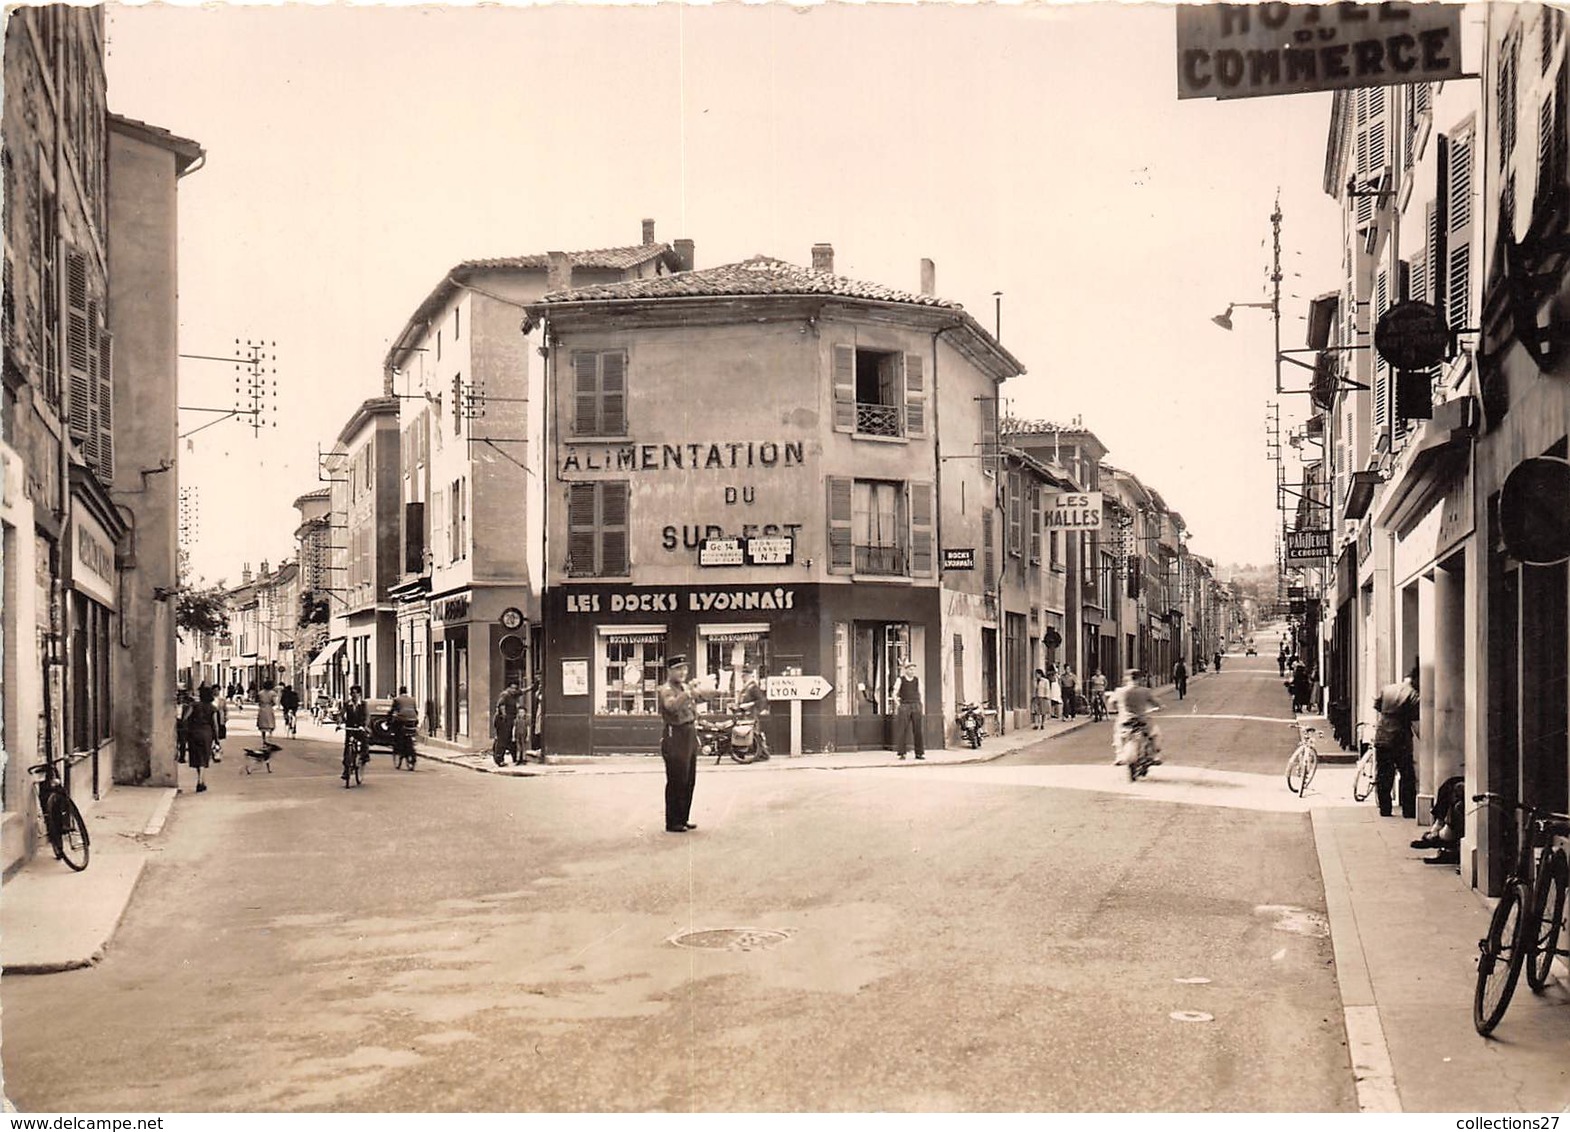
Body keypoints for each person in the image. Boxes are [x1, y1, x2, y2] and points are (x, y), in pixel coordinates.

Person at [657, 656, 705, 832]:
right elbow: (672, 707)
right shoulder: (666, 689)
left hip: (689, 733)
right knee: (677, 779)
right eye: (678, 669)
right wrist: (687, 693)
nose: (683, 672)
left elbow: (699, 700)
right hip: (675, 734)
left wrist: (708, 689)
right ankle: (673, 822)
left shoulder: (684, 687)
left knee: (689, 779)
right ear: (670, 671)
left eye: (685, 669)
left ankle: (683, 817)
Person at [1373, 667, 1420, 819]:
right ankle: (1408, 810)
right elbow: (1415, 719)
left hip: (1382, 735)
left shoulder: (1387, 689)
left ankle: (1385, 809)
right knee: (1407, 774)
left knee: (1384, 773)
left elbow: (1377, 706)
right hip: (1400, 738)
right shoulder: (1413, 694)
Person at [1110, 669, 1162, 768]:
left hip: (1125, 720)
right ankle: (1154, 756)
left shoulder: (1120, 691)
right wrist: (1160, 707)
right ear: (1140, 679)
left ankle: (1119, 755)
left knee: (1118, 734)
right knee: (1155, 734)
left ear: (1126, 679)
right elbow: (1155, 702)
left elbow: (1111, 702)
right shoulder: (1145, 691)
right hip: (1141, 720)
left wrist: (1117, 709)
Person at [185, 684, 221, 793]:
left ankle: (201, 780)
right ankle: (200, 782)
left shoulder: (194, 705)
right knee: (204, 758)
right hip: (206, 733)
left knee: (196, 757)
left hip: (194, 733)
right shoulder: (212, 708)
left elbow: (185, 718)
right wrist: (217, 739)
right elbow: (215, 725)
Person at [735, 668, 771, 760]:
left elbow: (761, 700)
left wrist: (749, 705)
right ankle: (760, 753)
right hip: (746, 714)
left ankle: (762, 754)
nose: (742, 678)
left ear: (748, 676)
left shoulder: (752, 687)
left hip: (751, 714)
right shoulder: (747, 687)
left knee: (751, 734)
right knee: (748, 733)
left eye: (744, 676)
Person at [891, 661, 925, 760]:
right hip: (905, 705)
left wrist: (921, 704)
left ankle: (919, 753)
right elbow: (894, 693)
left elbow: (921, 693)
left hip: (916, 705)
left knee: (918, 729)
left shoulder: (918, 680)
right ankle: (902, 753)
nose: (912, 671)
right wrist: (898, 704)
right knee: (902, 729)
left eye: (913, 669)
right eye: (910, 669)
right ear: (906, 670)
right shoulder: (900, 680)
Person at [342, 684, 369, 780]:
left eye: (355, 693)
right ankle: (346, 769)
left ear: (359, 694)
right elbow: (342, 714)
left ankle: (364, 757)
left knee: (364, 740)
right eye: (351, 693)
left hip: (359, 727)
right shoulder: (347, 704)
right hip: (350, 729)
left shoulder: (363, 704)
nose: (353, 695)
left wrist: (364, 726)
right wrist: (339, 723)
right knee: (347, 748)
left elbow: (366, 716)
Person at [493, 682, 522, 767]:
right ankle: (499, 759)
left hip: (509, 719)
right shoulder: (505, 694)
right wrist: (504, 715)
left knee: (509, 739)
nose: (513, 690)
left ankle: (514, 758)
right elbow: (501, 705)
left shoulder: (514, 694)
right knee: (502, 739)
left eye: (515, 688)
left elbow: (522, 691)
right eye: (512, 688)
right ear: (508, 688)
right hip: (502, 720)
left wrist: (531, 687)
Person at [391, 684, 420, 763]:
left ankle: (400, 746)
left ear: (399, 692)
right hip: (413, 719)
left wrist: (389, 719)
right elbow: (415, 710)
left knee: (397, 730)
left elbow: (392, 711)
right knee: (410, 731)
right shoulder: (412, 699)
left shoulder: (397, 699)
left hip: (402, 719)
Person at [255, 679, 279, 749]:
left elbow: (257, 701)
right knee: (270, 723)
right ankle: (270, 738)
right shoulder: (273, 693)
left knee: (262, 725)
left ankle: (264, 739)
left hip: (262, 708)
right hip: (269, 708)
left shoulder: (260, 693)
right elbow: (274, 702)